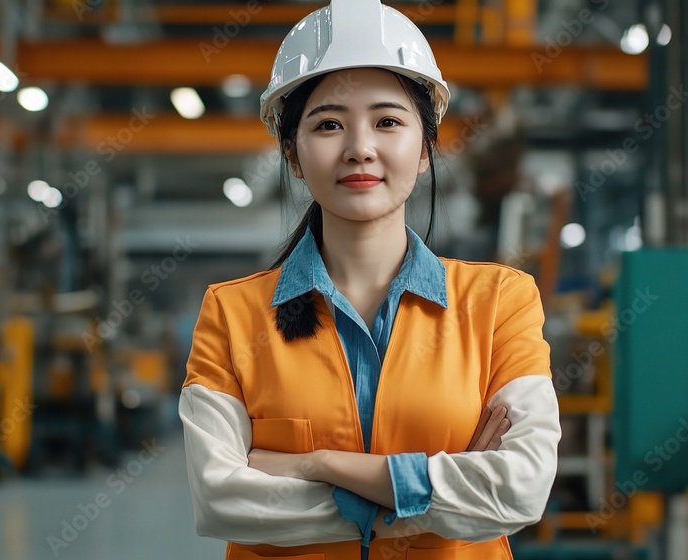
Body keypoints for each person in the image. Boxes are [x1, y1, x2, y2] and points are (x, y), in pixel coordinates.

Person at [178, 1, 561, 558]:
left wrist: (318, 465)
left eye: (387, 121)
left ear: (425, 148)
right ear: (292, 155)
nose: (360, 148)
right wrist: (440, 498)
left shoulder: (501, 302)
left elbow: (519, 491)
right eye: (328, 124)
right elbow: (220, 501)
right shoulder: (232, 315)